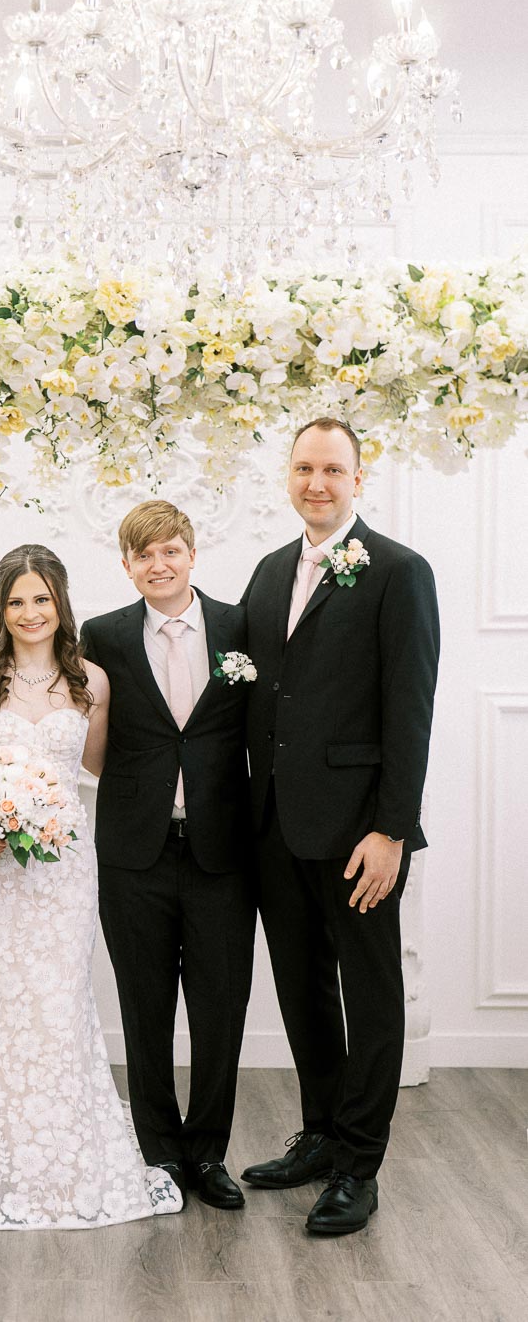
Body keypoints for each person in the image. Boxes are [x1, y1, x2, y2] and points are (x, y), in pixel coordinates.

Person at [0, 544, 181, 1232]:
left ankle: (64, 1160)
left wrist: (47, 811)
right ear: (0, 609)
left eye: (42, 598)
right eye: (16, 601)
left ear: (60, 602)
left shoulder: (91, 680)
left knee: (60, 1002)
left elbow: (90, 775)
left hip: (65, 872)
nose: (30, 613)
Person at [240, 418, 440, 1236]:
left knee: (371, 995)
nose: (316, 482)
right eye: (303, 468)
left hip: (361, 834)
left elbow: (410, 709)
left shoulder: (398, 571)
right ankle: (320, 1133)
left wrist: (392, 830)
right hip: (277, 826)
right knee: (303, 989)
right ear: (288, 476)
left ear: (360, 477)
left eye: (332, 469)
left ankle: (361, 1165)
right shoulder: (266, 571)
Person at [80, 501, 257, 1212]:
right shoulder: (104, 636)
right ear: (127, 564)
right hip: (134, 852)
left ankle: (208, 1152)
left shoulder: (240, 627)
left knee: (221, 1009)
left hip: (222, 851)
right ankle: (158, 1152)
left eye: (171, 550)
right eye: (144, 554)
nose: (159, 564)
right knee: (143, 1008)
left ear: (192, 554)